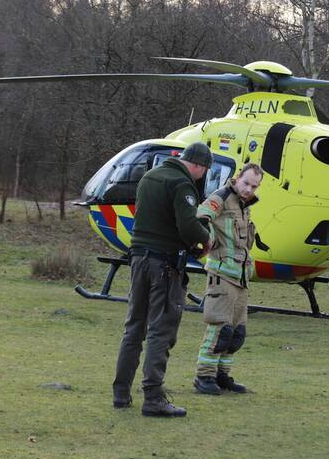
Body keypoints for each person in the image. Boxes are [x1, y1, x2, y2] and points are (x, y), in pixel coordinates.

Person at [112, 142, 213, 417]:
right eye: (204, 170)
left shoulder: (149, 177)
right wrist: (207, 239)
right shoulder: (182, 184)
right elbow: (188, 225)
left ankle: (121, 393)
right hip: (165, 265)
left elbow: (156, 220)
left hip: (138, 259)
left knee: (134, 327)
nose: (202, 175)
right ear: (199, 165)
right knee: (161, 329)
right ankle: (153, 397)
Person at [192, 162, 263, 395]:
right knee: (219, 328)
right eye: (246, 183)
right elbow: (202, 217)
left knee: (236, 332)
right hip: (221, 274)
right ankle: (204, 376)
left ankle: (222, 375)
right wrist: (208, 239)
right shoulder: (220, 196)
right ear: (237, 178)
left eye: (254, 186)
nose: (249, 189)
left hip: (241, 276)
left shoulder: (245, 205)